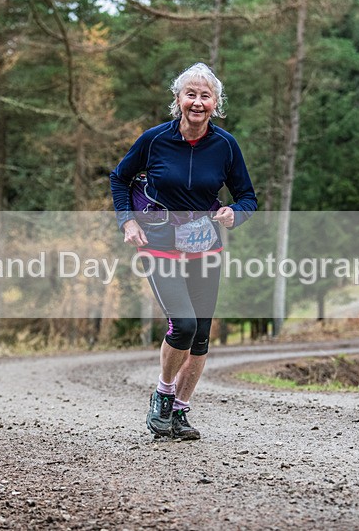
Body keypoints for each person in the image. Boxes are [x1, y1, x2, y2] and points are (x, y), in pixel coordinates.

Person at [109, 63, 257, 440]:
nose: (197, 102)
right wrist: (127, 221)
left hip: (204, 244)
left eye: (205, 95)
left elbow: (248, 197)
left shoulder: (225, 145)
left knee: (202, 335)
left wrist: (233, 213)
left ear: (216, 103)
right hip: (158, 242)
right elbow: (120, 178)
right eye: (190, 94)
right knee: (184, 325)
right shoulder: (154, 140)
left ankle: (178, 413)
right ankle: (162, 395)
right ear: (178, 100)